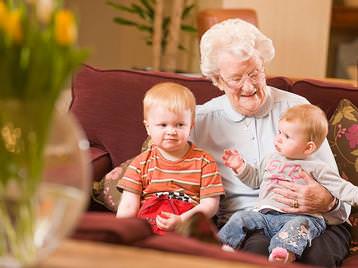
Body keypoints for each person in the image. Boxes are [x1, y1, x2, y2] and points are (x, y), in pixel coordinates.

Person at [190, 18, 352, 266]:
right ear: (217, 80)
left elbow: (338, 197)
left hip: (316, 218)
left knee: (317, 257)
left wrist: (327, 202)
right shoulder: (200, 122)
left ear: (264, 66)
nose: (249, 86)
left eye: (255, 73)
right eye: (236, 78)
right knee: (255, 255)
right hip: (249, 220)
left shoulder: (296, 109)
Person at [218, 104, 358, 263]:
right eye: (279, 132)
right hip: (266, 216)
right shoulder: (271, 159)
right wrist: (240, 166)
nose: (278, 138)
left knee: (298, 228)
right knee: (241, 217)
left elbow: (343, 188)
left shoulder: (318, 168)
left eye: (286, 136)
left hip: (303, 218)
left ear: (308, 148)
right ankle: (224, 247)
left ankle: (284, 254)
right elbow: (255, 179)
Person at [112, 82, 225, 235]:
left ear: (190, 126)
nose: (171, 131)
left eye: (179, 125)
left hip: (188, 223)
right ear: (148, 128)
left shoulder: (204, 161)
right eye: (163, 125)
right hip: (149, 224)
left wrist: (182, 220)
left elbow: (210, 205)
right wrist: (120, 232)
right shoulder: (140, 163)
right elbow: (128, 205)